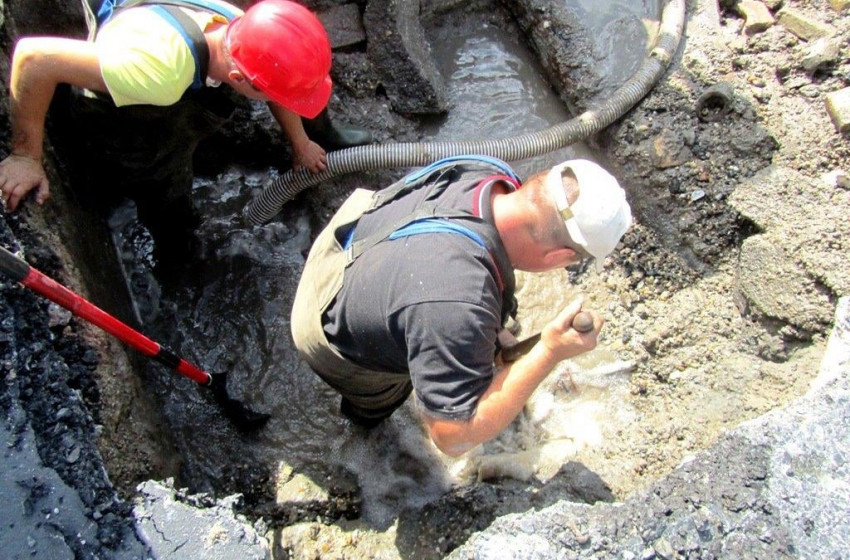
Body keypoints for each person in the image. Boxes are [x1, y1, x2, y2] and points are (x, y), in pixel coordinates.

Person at [290, 155, 632, 457]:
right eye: (570, 264)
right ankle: (364, 440)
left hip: (355, 239)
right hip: (323, 322)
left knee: (442, 324)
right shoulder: (455, 303)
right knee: (376, 403)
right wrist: (549, 353)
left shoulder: (488, 173)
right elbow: (452, 437)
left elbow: (453, 293)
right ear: (560, 257)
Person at [0, 0, 371, 268]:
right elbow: (34, 59)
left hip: (165, 50)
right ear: (240, 79)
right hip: (122, 110)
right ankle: (175, 254)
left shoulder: (239, 26)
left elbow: (278, 86)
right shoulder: (155, 72)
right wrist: (25, 156)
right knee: (163, 193)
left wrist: (301, 142)